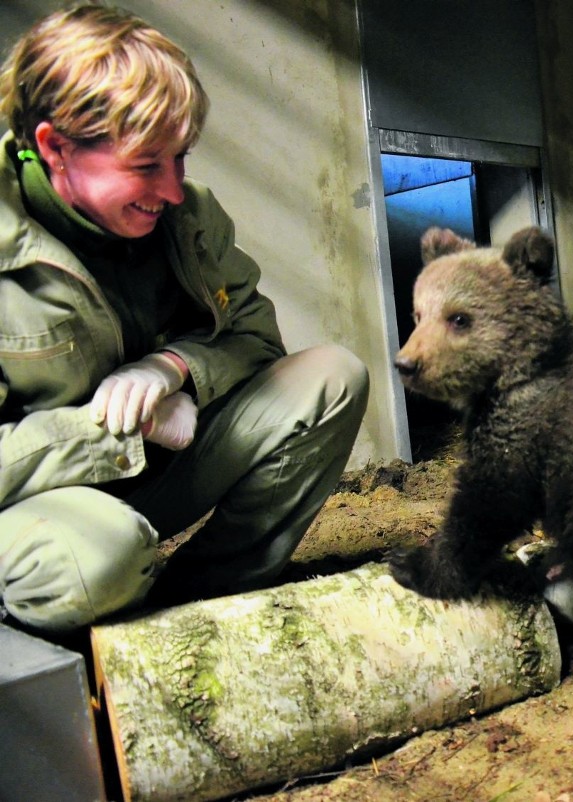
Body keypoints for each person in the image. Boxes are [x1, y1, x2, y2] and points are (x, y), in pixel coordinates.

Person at [0, 5, 369, 632]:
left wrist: (175, 369)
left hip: (152, 476)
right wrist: (117, 431)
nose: (172, 190)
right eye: (146, 165)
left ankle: (204, 612)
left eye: (181, 159)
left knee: (334, 376)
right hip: (38, 508)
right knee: (97, 560)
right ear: (55, 148)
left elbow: (256, 338)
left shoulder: (187, 214)